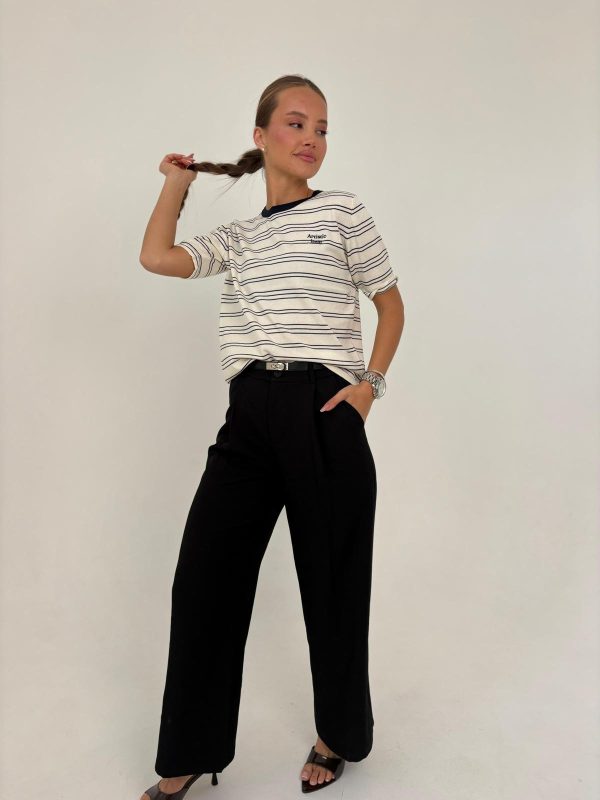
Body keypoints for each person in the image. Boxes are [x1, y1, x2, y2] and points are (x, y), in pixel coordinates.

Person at [138, 74, 405, 799]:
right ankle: (189, 753)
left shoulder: (343, 212)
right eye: (296, 123)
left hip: (325, 409)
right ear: (261, 136)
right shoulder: (240, 237)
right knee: (205, 580)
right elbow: (157, 257)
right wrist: (176, 183)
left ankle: (339, 734)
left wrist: (368, 389)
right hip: (249, 414)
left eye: (322, 127)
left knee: (334, 583)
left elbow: (390, 305)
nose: (311, 138)